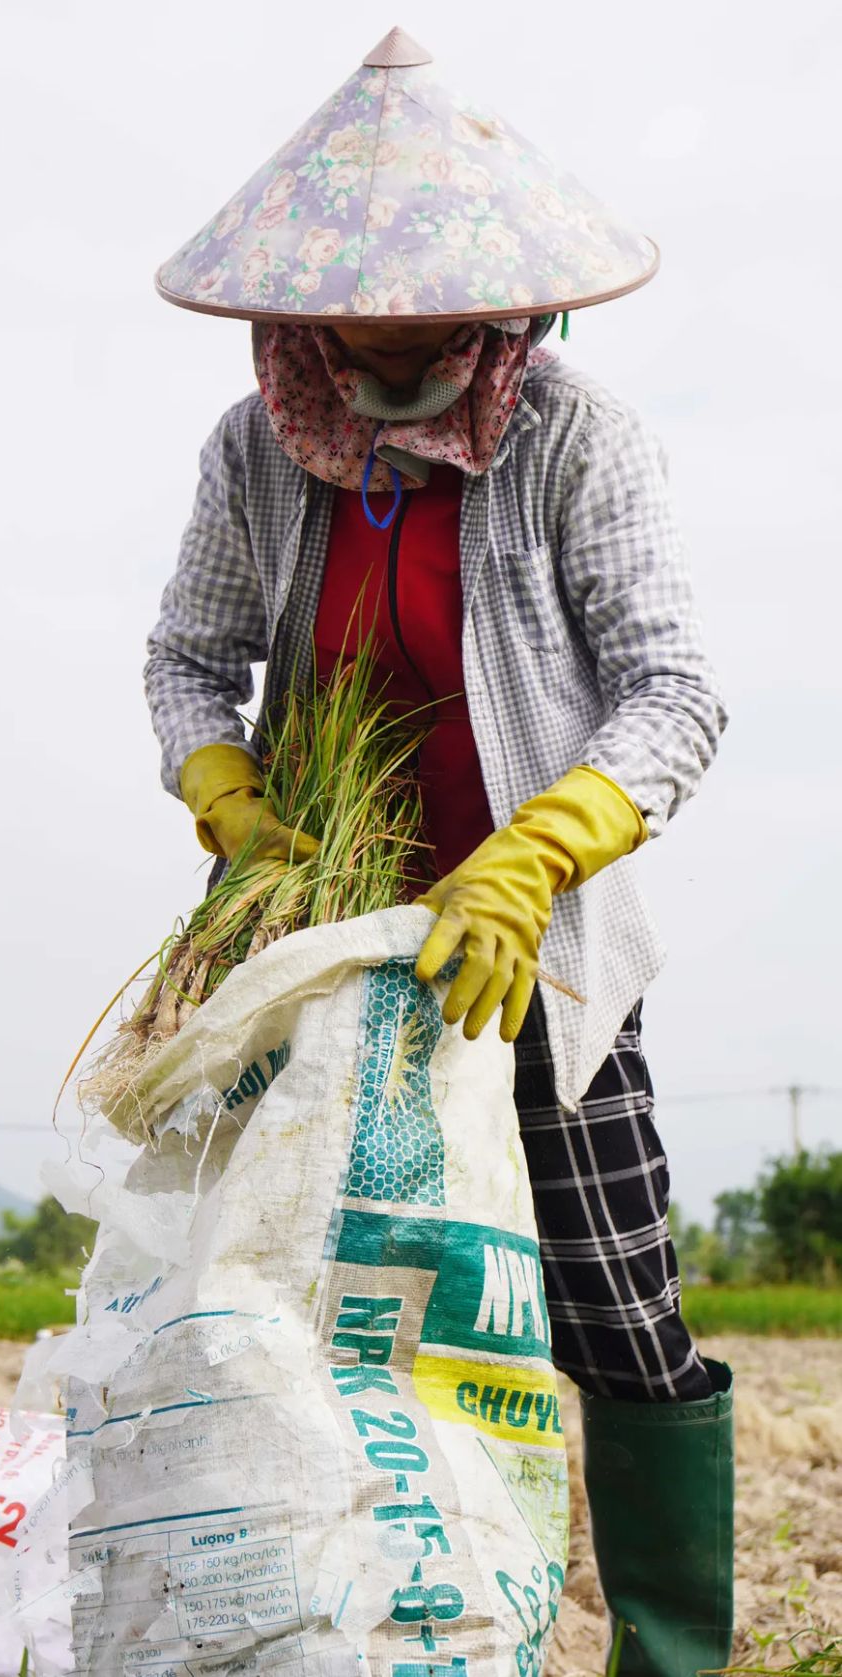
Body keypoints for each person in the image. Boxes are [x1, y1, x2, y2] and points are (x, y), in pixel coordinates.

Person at [143, 28, 734, 1677]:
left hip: (527, 953)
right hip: (314, 940)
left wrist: (534, 854)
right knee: (286, 1306)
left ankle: (671, 1652)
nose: (396, 352)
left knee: (618, 1308)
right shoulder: (253, 451)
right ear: (303, 323)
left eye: (433, 325)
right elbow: (187, 657)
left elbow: (674, 688)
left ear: (502, 313)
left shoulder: (577, 443)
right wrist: (237, 809)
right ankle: (315, 1634)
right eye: (363, 328)